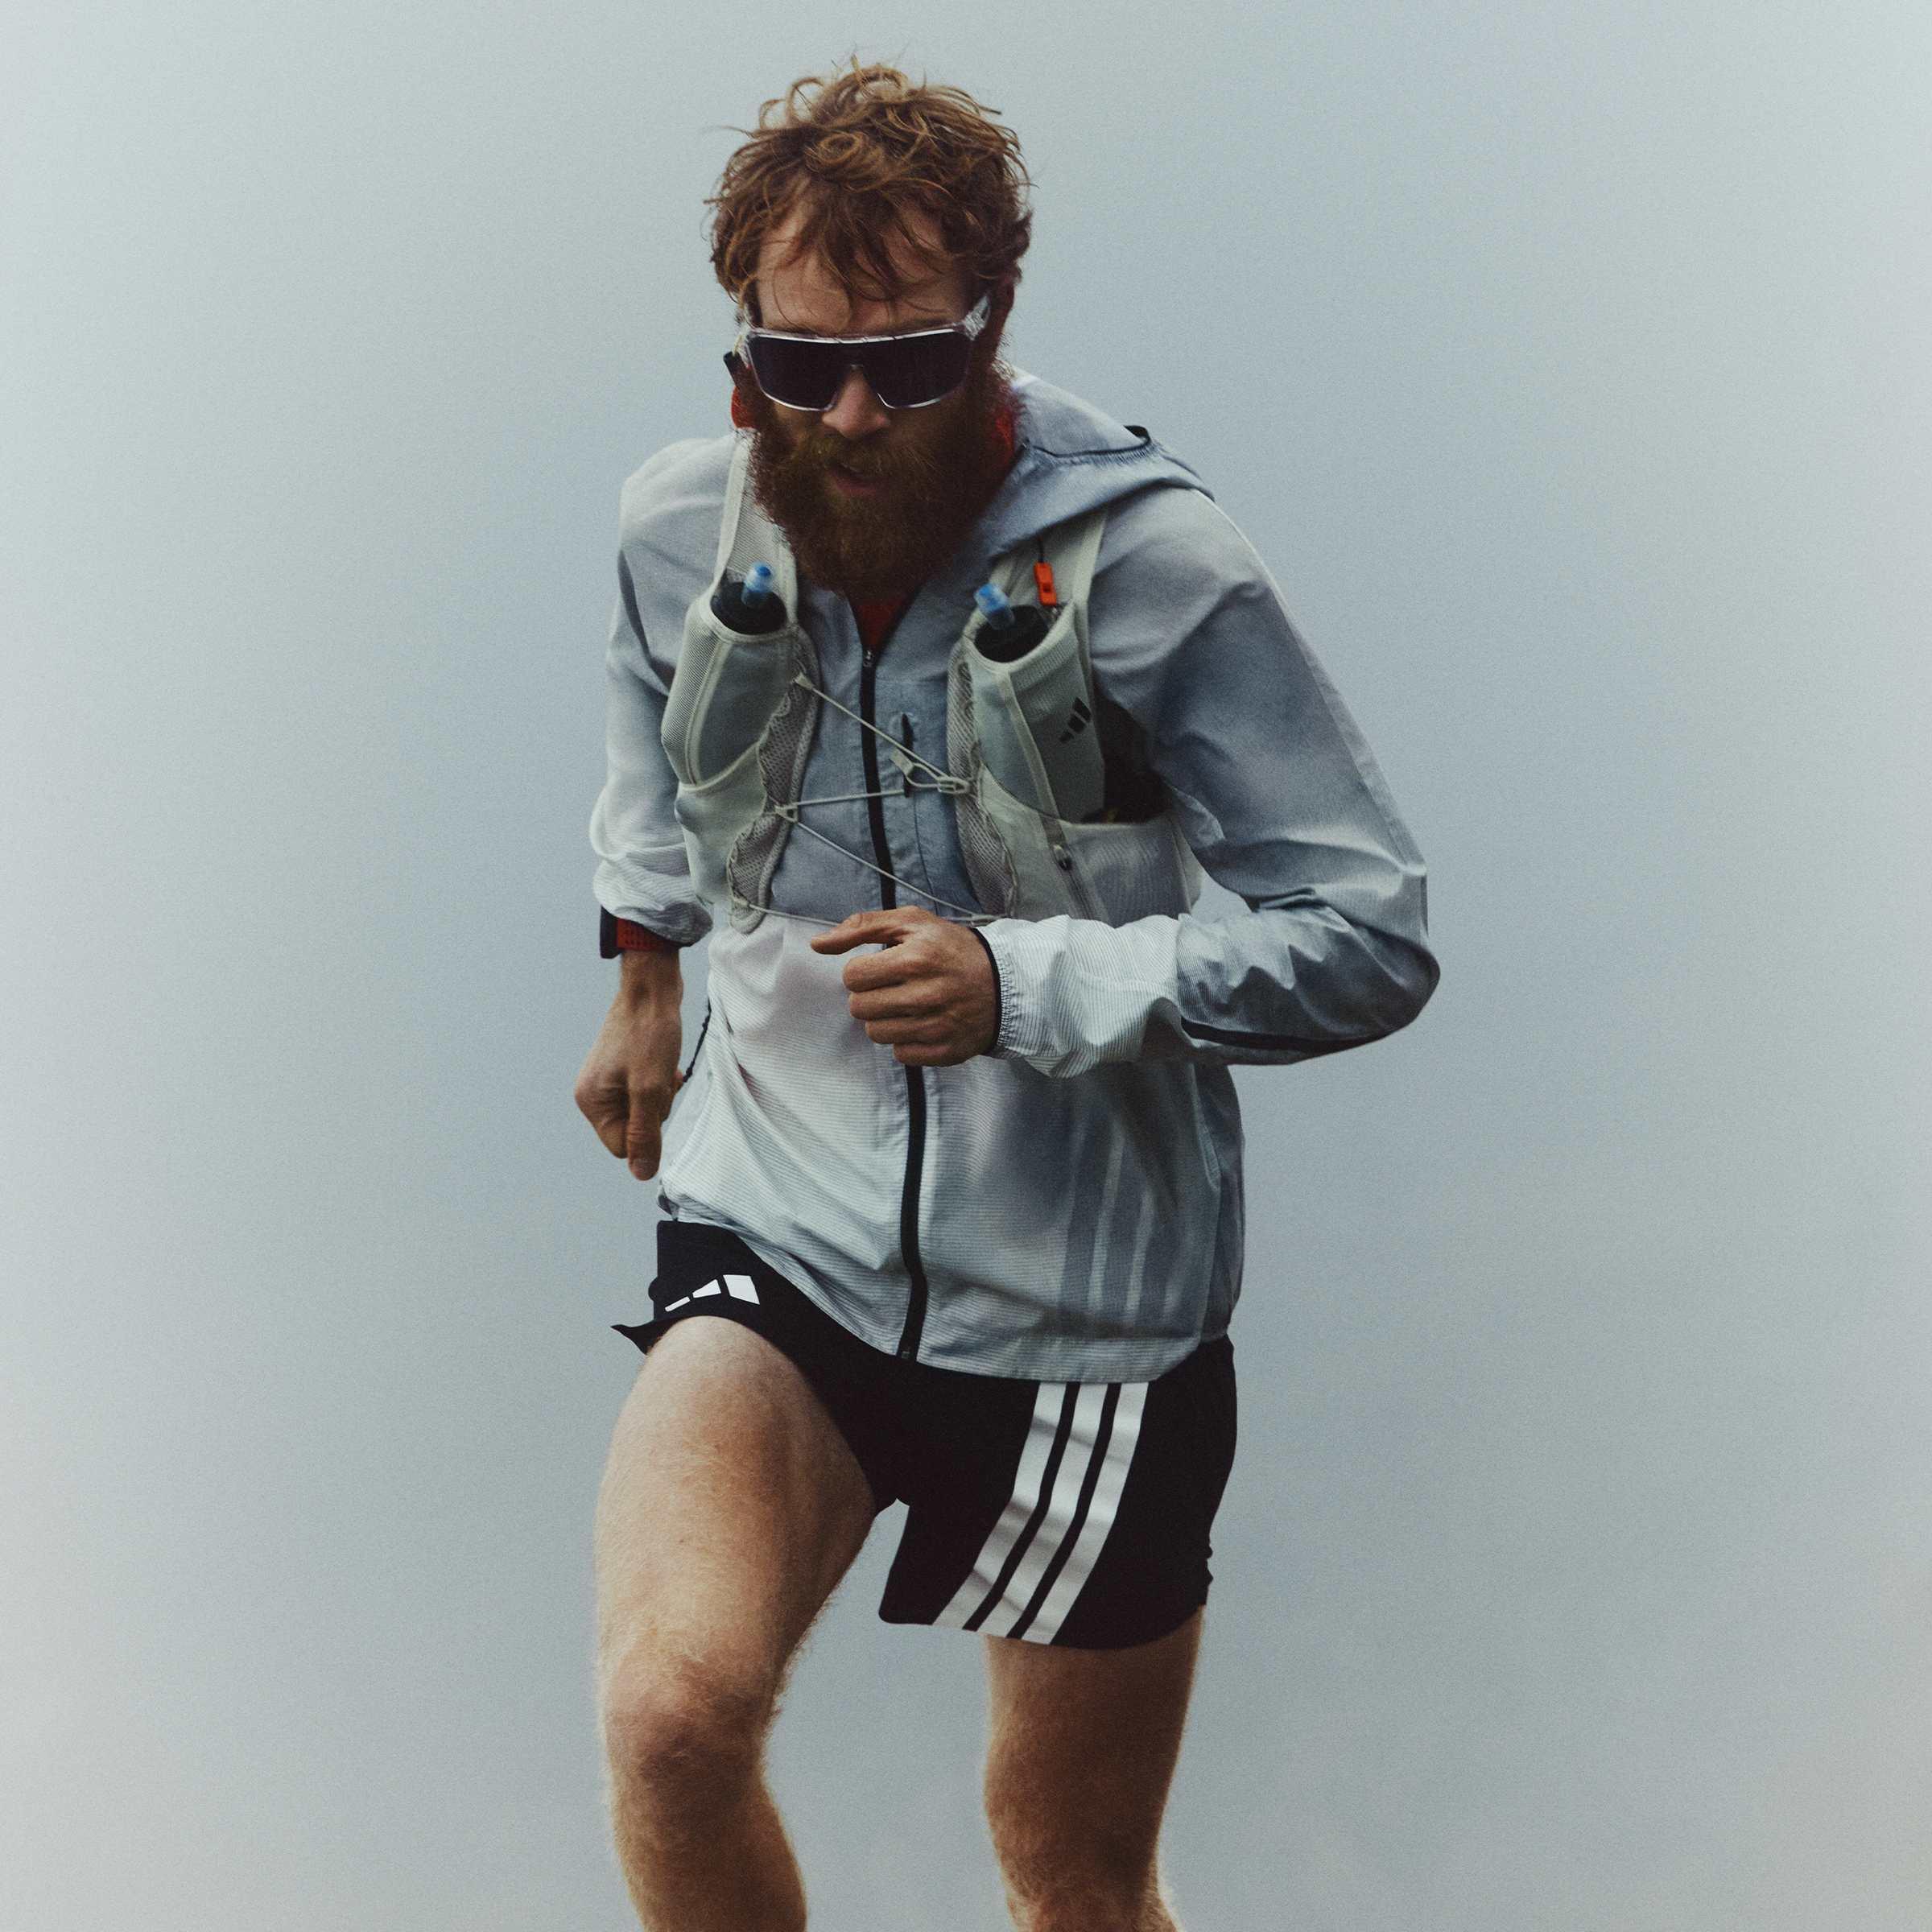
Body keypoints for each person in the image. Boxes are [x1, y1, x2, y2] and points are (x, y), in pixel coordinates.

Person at [575, 58, 1439, 1932]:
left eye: (909, 362)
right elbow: (652, 756)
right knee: (668, 1719)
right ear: (741, 356)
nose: (851, 414)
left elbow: (1370, 930)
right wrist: (641, 973)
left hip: (1085, 1316)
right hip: (776, 1222)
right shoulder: (676, 526)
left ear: (993, 329)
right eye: (798, 365)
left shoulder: (1160, 567)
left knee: (1070, 1876)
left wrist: (1025, 981)